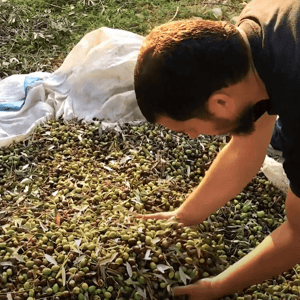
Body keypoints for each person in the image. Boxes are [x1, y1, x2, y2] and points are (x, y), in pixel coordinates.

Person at [133, 0, 300, 299]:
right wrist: (186, 215)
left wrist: (218, 285)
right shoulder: (251, 33)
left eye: (189, 129)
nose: (195, 137)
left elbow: (298, 233)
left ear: (221, 102)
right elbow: (245, 147)